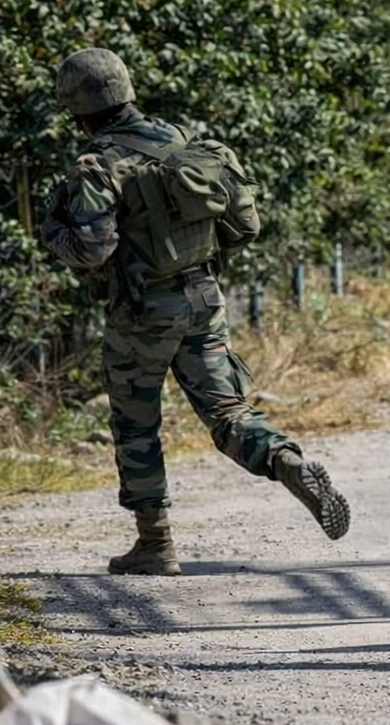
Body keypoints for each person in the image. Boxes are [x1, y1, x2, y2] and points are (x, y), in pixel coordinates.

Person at [42, 48, 350, 576]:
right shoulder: (181, 141)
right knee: (227, 412)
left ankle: (155, 544)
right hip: (204, 297)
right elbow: (246, 226)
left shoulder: (97, 164)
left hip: (141, 310)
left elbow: (92, 249)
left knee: (137, 424)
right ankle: (287, 462)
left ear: (78, 108)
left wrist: (53, 230)